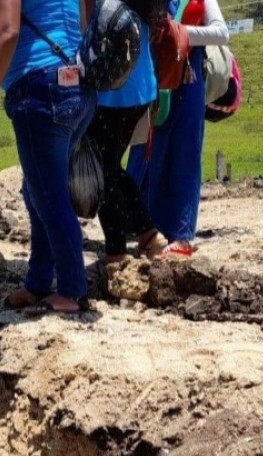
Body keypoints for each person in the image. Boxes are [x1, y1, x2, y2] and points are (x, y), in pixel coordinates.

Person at [0, 0, 96, 314]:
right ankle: (39, 280)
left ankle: (71, 291)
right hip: (78, 85)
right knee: (37, 190)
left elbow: (6, 33)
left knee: (50, 199)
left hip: (40, 90)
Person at [126, 0, 229, 257]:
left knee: (184, 155)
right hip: (149, 76)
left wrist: (180, 32)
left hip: (187, 78)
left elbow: (221, 33)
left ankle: (181, 236)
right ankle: (145, 230)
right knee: (145, 153)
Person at [87, 1, 170, 263]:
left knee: (102, 171)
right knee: (108, 166)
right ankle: (147, 235)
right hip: (141, 84)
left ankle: (117, 252)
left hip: (109, 87)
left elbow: (87, 23)